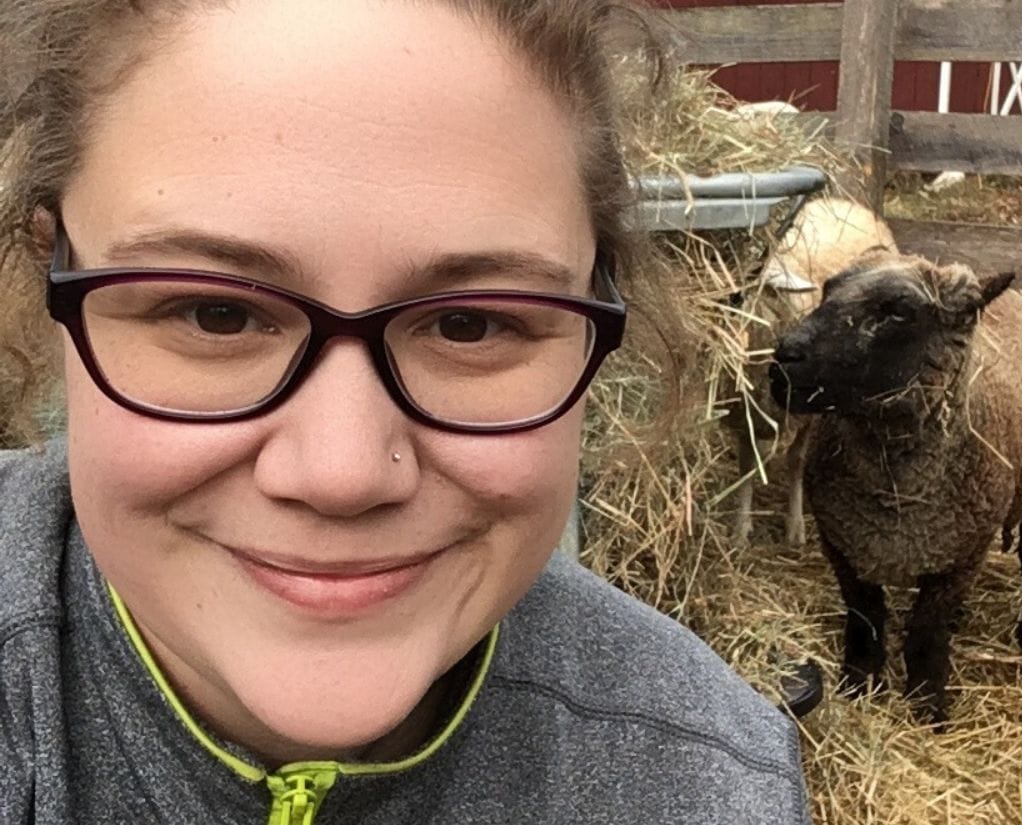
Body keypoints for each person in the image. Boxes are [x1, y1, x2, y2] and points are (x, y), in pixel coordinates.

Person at [0, 1, 813, 822]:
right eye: (218, 314)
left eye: (470, 324)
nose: (343, 472)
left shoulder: (705, 781)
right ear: (50, 266)